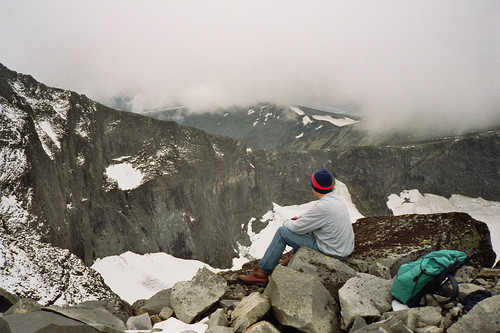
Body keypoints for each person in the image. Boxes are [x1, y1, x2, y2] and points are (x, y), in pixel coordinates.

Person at [238, 168, 354, 286]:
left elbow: (297, 228)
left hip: (332, 252)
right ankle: (291, 259)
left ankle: (261, 274)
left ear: (314, 187)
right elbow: (313, 217)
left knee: (282, 232)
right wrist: (300, 218)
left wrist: (287, 222)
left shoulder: (323, 206)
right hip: (343, 250)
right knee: (310, 229)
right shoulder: (337, 200)